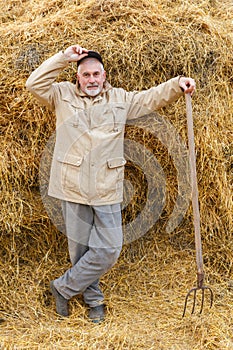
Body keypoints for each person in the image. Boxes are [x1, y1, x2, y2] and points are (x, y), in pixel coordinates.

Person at [26, 44, 196, 323]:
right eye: (86, 75)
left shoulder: (120, 99)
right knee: (80, 251)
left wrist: (177, 85)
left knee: (109, 249)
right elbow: (34, 83)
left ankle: (62, 288)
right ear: (77, 77)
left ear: (104, 76)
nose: (91, 79)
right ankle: (94, 301)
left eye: (96, 74)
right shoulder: (61, 95)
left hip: (107, 186)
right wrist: (63, 58)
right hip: (72, 185)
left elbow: (151, 98)